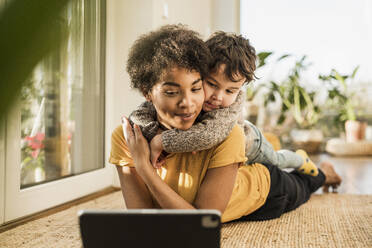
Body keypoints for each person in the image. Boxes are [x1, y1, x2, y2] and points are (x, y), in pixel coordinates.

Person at [109, 24, 342, 224]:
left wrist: (144, 168)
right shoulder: (128, 136)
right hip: (234, 174)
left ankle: (324, 173)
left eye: (196, 88)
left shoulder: (225, 131)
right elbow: (146, 221)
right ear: (147, 92)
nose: (188, 103)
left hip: (264, 191)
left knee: (306, 183)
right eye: (171, 91)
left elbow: (203, 223)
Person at [129, 31, 319, 177]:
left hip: (252, 144)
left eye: (230, 90)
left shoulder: (229, 108)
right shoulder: (190, 92)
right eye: (212, 84)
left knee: (277, 161)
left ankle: (301, 159)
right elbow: (139, 114)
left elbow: (207, 135)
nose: (218, 97)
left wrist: (162, 140)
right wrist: (154, 130)